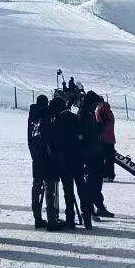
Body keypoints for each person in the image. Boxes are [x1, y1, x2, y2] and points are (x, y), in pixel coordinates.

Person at [47, 93, 91, 230]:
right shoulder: (74, 118)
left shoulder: (55, 121)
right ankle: (87, 218)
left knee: (68, 190)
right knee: (81, 188)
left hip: (63, 161)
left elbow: (53, 143)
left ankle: (70, 219)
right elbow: (82, 138)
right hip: (77, 159)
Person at [79, 92, 113, 218]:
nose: (96, 106)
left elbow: (93, 131)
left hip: (95, 152)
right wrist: (100, 127)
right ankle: (91, 208)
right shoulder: (84, 114)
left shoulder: (89, 113)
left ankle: (98, 206)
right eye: (95, 103)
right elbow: (88, 134)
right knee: (91, 182)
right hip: (89, 154)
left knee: (97, 181)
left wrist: (100, 126)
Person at [28, 94, 55, 229]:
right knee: (49, 187)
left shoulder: (32, 116)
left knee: (37, 187)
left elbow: (30, 139)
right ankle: (51, 219)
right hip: (47, 157)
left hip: (36, 156)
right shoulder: (46, 115)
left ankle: (37, 218)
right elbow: (49, 135)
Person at [95, 96, 117, 181]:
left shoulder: (99, 111)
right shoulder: (110, 111)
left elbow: (99, 124)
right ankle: (110, 175)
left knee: (101, 158)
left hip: (102, 138)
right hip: (111, 138)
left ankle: (104, 175)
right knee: (110, 158)